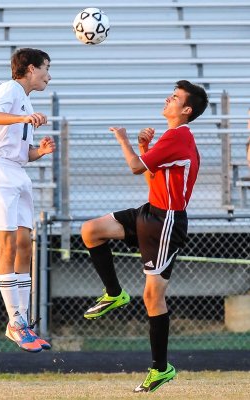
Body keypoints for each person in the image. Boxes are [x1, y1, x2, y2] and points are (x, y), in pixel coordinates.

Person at [81, 80, 208, 392]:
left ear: (186, 109)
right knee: (91, 231)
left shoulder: (180, 137)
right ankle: (113, 293)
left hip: (167, 222)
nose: (169, 98)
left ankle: (160, 369)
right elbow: (151, 177)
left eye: (175, 97)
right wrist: (143, 148)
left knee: (153, 297)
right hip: (150, 212)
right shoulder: (173, 137)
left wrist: (124, 141)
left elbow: (136, 169)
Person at [0, 48, 56, 353]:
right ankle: (15, 324)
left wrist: (41, 152)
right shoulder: (9, 89)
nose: (48, 75)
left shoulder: (25, 100)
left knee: (25, 244)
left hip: (17, 172)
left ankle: (21, 320)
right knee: (7, 245)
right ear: (31, 68)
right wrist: (23, 116)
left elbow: (23, 152)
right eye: (46, 68)